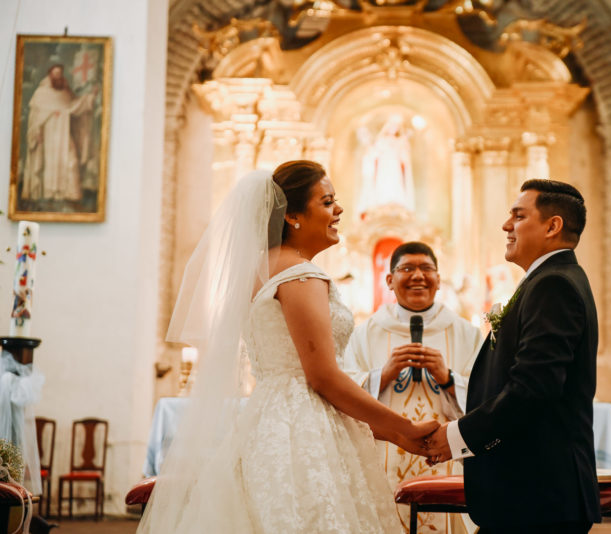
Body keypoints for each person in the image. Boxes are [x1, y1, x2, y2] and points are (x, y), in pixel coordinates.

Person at [138, 161, 438, 533]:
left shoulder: (261, 269)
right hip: (303, 430)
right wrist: (403, 428)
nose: (339, 210)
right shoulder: (300, 275)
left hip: (267, 421)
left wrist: (390, 431)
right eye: (327, 202)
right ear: (292, 215)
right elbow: (323, 377)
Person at [425, 179, 601, 533]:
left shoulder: (555, 285)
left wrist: (457, 436)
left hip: (538, 495)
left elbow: (533, 389)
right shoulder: (550, 280)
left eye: (518, 216)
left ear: (553, 226)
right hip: (532, 494)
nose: (506, 225)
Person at [344, 241, 482, 534]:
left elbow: (487, 400)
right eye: (407, 268)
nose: (418, 275)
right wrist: (381, 376)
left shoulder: (466, 334)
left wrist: (447, 378)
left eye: (426, 268)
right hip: (382, 461)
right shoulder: (364, 334)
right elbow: (343, 392)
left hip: (448, 460)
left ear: (438, 280)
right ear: (390, 281)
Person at [22, 64, 97, 204]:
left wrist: (90, 97)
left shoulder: (65, 94)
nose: (58, 76)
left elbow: (75, 106)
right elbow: (35, 117)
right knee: (50, 164)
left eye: (60, 73)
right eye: (55, 73)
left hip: (63, 134)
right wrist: (37, 132)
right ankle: (50, 194)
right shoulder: (41, 93)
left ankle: (70, 193)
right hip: (49, 136)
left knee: (71, 161)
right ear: (50, 75)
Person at [357, 114, 415, 214]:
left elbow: (404, 158)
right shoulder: (381, 140)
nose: (394, 128)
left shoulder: (400, 141)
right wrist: (369, 149)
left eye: (396, 126)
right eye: (392, 126)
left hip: (395, 169)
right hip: (383, 168)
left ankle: (397, 204)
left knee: (396, 183)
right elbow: (373, 154)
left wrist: (404, 147)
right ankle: (382, 203)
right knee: (384, 184)